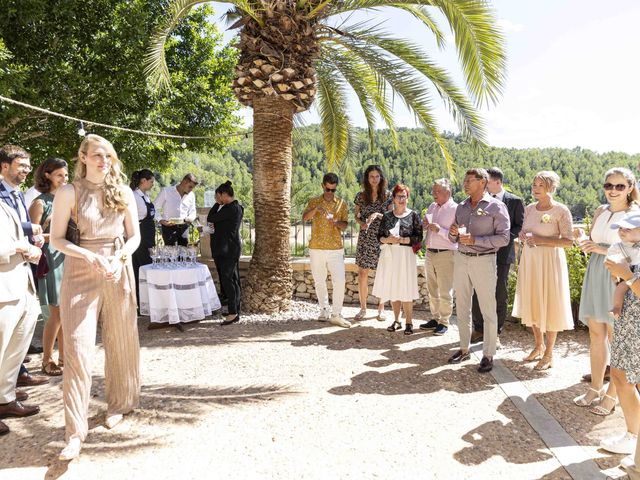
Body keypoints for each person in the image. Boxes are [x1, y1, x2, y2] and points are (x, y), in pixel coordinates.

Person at [51, 134, 141, 460]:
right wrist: (88, 257)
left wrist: (118, 261)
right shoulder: (68, 192)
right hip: (79, 272)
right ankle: (74, 434)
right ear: (83, 157)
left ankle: (119, 404)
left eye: (108, 156)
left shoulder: (124, 192)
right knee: (76, 350)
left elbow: (134, 238)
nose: (104, 161)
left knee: (120, 341)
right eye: (98, 155)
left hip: (117, 271)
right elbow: (57, 239)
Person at [574, 168, 639, 415]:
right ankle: (595, 388)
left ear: (630, 188)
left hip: (617, 276)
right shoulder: (601, 211)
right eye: (609, 185)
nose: (613, 190)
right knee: (595, 334)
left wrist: (601, 250)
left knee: (616, 337)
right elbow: (594, 240)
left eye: (620, 186)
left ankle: (613, 395)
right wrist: (582, 239)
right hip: (595, 272)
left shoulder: (635, 214)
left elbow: (635, 251)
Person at [447, 168, 510, 373]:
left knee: (487, 309)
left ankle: (488, 354)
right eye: (464, 180)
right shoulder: (462, 206)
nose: (465, 184)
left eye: (469, 180)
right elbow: (453, 237)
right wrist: (453, 233)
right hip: (461, 258)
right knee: (462, 306)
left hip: (484, 261)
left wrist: (477, 240)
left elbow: (504, 238)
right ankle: (464, 348)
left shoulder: (496, 206)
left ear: (483, 182)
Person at [512, 171, 574, 370]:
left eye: (540, 185)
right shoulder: (529, 209)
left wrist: (541, 240)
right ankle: (538, 346)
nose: (535, 189)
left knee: (550, 304)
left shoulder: (561, 210)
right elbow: (525, 231)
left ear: (550, 187)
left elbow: (568, 242)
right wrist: (523, 235)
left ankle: (549, 354)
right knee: (532, 302)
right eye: (534, 185)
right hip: (530, 260)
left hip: (550, 262)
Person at [0, 145, 48, 388]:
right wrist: (25, 238)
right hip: (6, 269)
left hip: (24, 264)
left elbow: (20, 224)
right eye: (22, 166)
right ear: (4, 166)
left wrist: (33, 236)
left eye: (29, 166)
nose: (27, 170)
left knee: (21, 328)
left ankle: (11, 386)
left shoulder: (19, 193)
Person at [0, 200, 42, 436]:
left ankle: (4, 400)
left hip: (20, 283)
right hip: (2, 287)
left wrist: (29, 247)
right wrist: (18, 246)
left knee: (13, 351)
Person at [600, 213, 640, 457]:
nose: (622, 232)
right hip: (629, 321)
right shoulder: (625, 249)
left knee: (628, 377)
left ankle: (635, 440)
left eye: (629, 229)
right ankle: (632, 436)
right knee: (620, 375)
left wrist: (626, 274)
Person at [471, 167, 525, 342]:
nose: (484, 185)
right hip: (480, 252)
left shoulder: (515, 201)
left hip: (502, 254)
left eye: (487, 182)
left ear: (498, 182)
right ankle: (478, 329)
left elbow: (519, 226)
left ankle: (495, 331)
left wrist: (502, 238)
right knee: (478, 292)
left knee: (499, 293)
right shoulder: (479, 200)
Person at [29, 158, 69, 376]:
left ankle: (64, 357)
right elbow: (30, 237)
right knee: (54, 313)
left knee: (66, 312)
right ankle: (47, 360)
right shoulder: (40, 203)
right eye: (59, 175)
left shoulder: (69, 200)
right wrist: (55, 236)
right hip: (51, 258)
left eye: (66, 175)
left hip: (69, 257)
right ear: (47, 176)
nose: (64, 179)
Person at [373, 184, 423, 335]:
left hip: (406, 256)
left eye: (404, 196)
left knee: (406, 287)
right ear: (393, 198)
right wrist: (387, 240)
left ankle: (409, 322)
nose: (402, 199)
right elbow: (379, 236)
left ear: (408, 198)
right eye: (399, 196)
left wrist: (402, 239)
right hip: (390, 256)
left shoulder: (413, 215)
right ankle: (396, 320)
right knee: (394, 287)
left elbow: (419, 237)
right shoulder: (387, 216)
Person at [302, 173, 350, 328]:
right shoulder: (314, 201)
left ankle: (336, 313)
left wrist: (335, 222)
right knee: (319, 280)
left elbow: (345, 225)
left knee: (340, 280)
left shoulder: (341, 204)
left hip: (335, 248)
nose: (330, 193)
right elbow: (304, 218)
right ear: (323, 186)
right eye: (328, 189)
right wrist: (315, 209)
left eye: (333, 190)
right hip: (316, 247)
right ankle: (324, 309)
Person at [419, 178, 458, 336]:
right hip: (430, 252)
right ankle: (435, 318)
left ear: (447, 193)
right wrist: (425, 226)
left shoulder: (456, 209)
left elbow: (456, 236)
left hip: (446, 254)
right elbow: (428, 228)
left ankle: (444, 322)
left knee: (445, 290)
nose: (433, 194)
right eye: (433, 190)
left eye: (437, 191)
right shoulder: (432, 207)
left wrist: (440, 230)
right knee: (432, 289)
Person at [353, 165, 392, 321]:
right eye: (371, 177)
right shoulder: (361, 196)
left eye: (377, 176)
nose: (374, 179)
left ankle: (381, 309)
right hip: (365, 237)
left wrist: (377, 215)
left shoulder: (388, 196)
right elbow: (356, 215)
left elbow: (392, 217)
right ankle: (363, 309)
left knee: (381, 274)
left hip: (381, 238)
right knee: (362, 273)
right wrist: (361, 222)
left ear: (381, 178)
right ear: (367, 179)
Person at [207, 181, 244, 325]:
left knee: (229, 280)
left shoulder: (230, 208)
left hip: (228, 249)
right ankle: (234, 310)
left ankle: (233, 312)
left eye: (218, 196)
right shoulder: (235, 207)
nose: (216, 200)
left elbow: (211, 218)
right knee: (232, 280)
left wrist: (217, 204)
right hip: (229, 248)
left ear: (223, 195)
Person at [130, 169, 156, 307]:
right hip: (140, 237)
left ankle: (147, 300)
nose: (153, 184)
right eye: (151, 182)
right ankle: (140, 302)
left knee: (148, 268)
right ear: (143, 181)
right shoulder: (133, 196)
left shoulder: (145, 196)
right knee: (140, 269)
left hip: (148, 237)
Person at [154, 173, 198, 246]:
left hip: (184, 228)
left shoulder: (191, 195)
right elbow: (154, 208)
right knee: (171, 254)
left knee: (184, 254)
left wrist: (189, 219)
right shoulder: (166, 191)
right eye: (190, 187)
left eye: (192, 188)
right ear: (184, 182)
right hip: (168, 228)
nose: (191, 190)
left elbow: (193, 212)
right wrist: (161, 220)